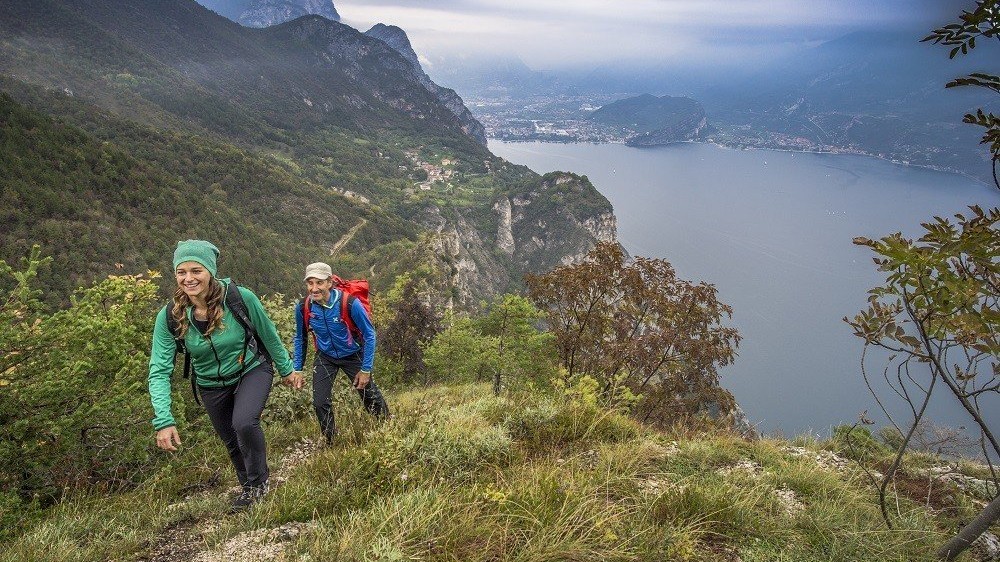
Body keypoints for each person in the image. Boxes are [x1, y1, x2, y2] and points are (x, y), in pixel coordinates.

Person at [148, 240, 304, 512]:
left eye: (196, 270)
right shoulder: (170, 316)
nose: (189, 278)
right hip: (209, 383)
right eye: (181, 272)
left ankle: (258, 486)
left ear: (210, 271)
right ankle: (249, 488)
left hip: (251, 369)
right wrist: (164, 419)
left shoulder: (240, 298)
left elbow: (268, 334)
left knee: (244, 423)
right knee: (231, 439)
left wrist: (286, 368)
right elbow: (159, 369)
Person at [292, 262, 389, 443]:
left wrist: (366, 369)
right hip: (326, 356)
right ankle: (331, 440)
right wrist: (297, 369)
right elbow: (300, 338)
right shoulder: (303, 307)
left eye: (319, 283)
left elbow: (369, 335)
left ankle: (387, 426)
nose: (314, 288)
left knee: (369, 395)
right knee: (320, 402)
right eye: (310, 283)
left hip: (353, 354)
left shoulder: (350, 303)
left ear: (329, 282)